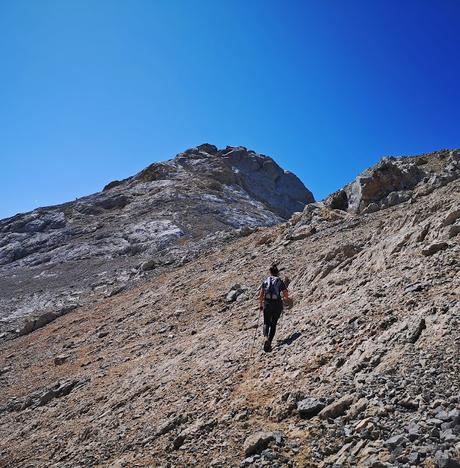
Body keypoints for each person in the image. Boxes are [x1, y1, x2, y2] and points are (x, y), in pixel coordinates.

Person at [258, 265, 289, 352]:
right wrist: (284, 299)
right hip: (277, 304)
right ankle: (270, 342)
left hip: (267, 303)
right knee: (273, 324)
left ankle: (265, 337)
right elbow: (286, 294)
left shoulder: (266, 281)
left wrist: (261, 305)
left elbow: (260, 296)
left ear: (270, 272)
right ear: (277, 272)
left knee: (266, 323)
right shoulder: (279, 281)